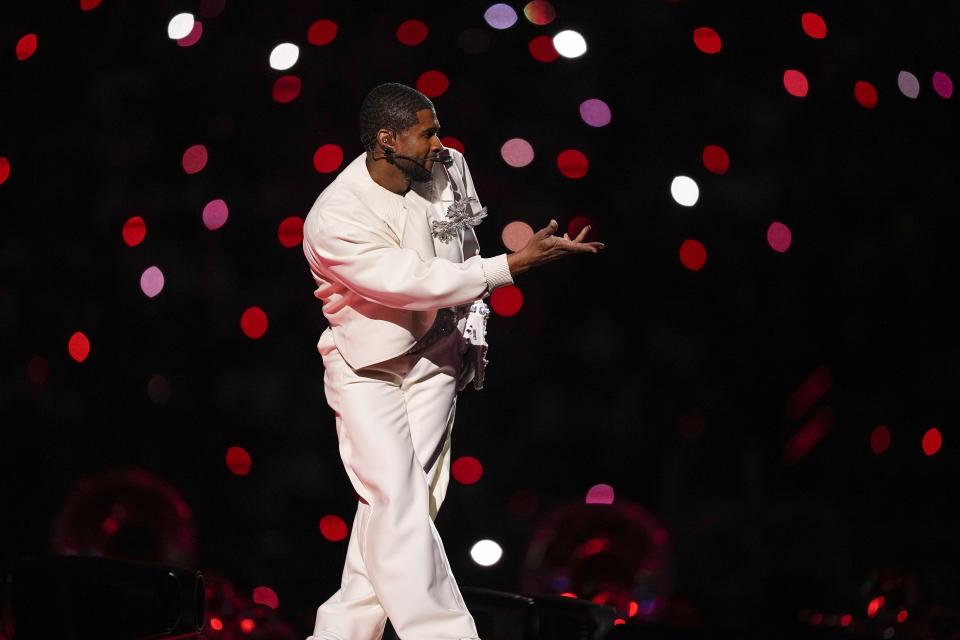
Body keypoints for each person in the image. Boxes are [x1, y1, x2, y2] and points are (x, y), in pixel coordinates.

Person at [301, 82, 604, 640]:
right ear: (386, 141)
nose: (441, 143)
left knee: (399, 509)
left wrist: (470, 341)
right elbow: (412, 283)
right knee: (397, 502)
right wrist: (509, 266)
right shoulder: (334, 219)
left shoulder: (447, 166)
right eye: (427, 133)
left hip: (437, 358)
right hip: (369, 371)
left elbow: (460, 244)